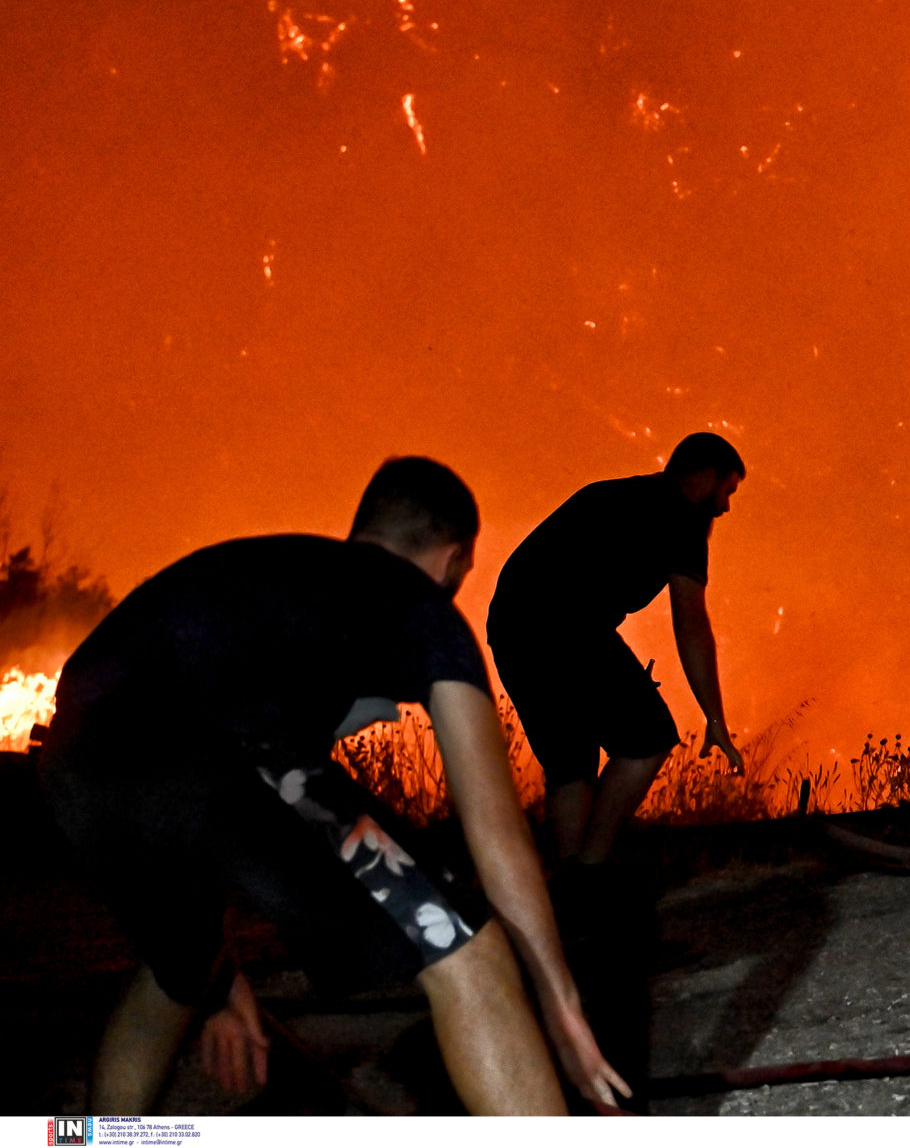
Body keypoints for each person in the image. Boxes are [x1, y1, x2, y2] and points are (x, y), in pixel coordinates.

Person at [38, 457, 628, 1114]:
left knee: (178, 970)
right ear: (455, 558)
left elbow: (212, 816)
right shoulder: (417, 601)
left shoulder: (256, 571)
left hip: (75, 761)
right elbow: (495, 828)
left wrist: (222, 987)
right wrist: (561, 1005)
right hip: (212, 746)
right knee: (465, 945)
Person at [487, 432, 745, 870]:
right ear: (704, 477)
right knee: (648, 739)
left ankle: (568, 887)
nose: (725, 507)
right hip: (566, 628)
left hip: (513, 629)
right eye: (727, 491)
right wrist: (714, 718)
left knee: (570, 764)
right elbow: (691, 624)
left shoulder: (610, 494)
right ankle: (590, 868)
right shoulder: (681, 520)